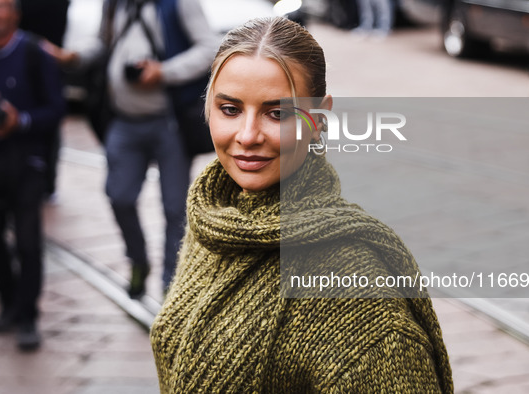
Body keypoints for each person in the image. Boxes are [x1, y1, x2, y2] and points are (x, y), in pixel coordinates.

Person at [150, 17, 453, 392]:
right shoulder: (214, 218)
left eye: (277, 113)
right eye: (230, 109)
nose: (247, 136)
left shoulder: (354, 286)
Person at [49, 0, 218, 298]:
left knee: (174, 207)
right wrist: (75, 56)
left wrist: (163, 71)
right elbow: (103, 43)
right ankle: (138, 260)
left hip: (170, 121)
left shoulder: (179, 4)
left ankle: (171, 284)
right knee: (120, 196)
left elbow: (208, 48)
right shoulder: (115, 4)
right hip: (123, 120)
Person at [0, 0, 66, 350]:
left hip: (27, 160)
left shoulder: (34, 53)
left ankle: (28, 315)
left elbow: (55, 110)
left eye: (2, 6)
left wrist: (19, 120)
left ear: (15, 14)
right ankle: (9, 303)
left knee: (28, 240)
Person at [18, 0, 70, 201]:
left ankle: (45, 182)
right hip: (40, 62)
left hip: (44, 61)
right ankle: (46, 182)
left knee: (47, 119)